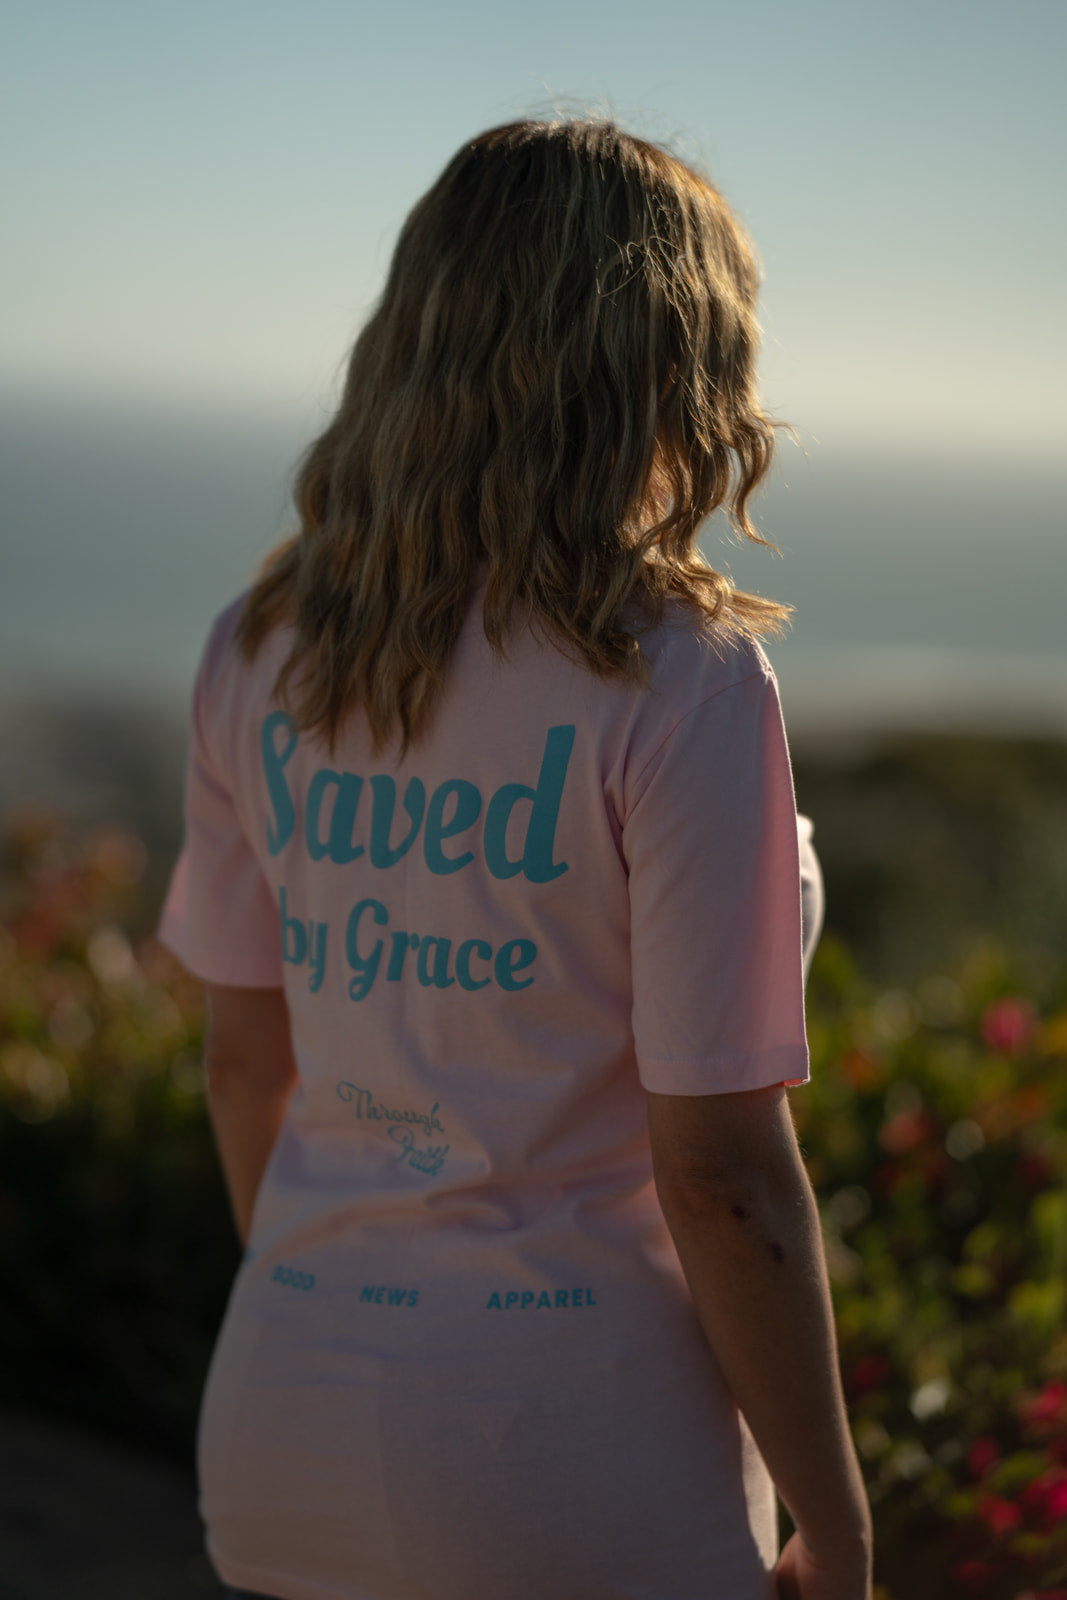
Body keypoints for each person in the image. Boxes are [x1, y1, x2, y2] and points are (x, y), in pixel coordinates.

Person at [159, 118, 871, 1600]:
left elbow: (244, 1064)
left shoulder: (260, 649)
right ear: (673, 358)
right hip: (576, 1465)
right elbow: (727, 1177)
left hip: (285, 1422)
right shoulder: (681, 680)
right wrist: (839, 1523)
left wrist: (348, 1313)